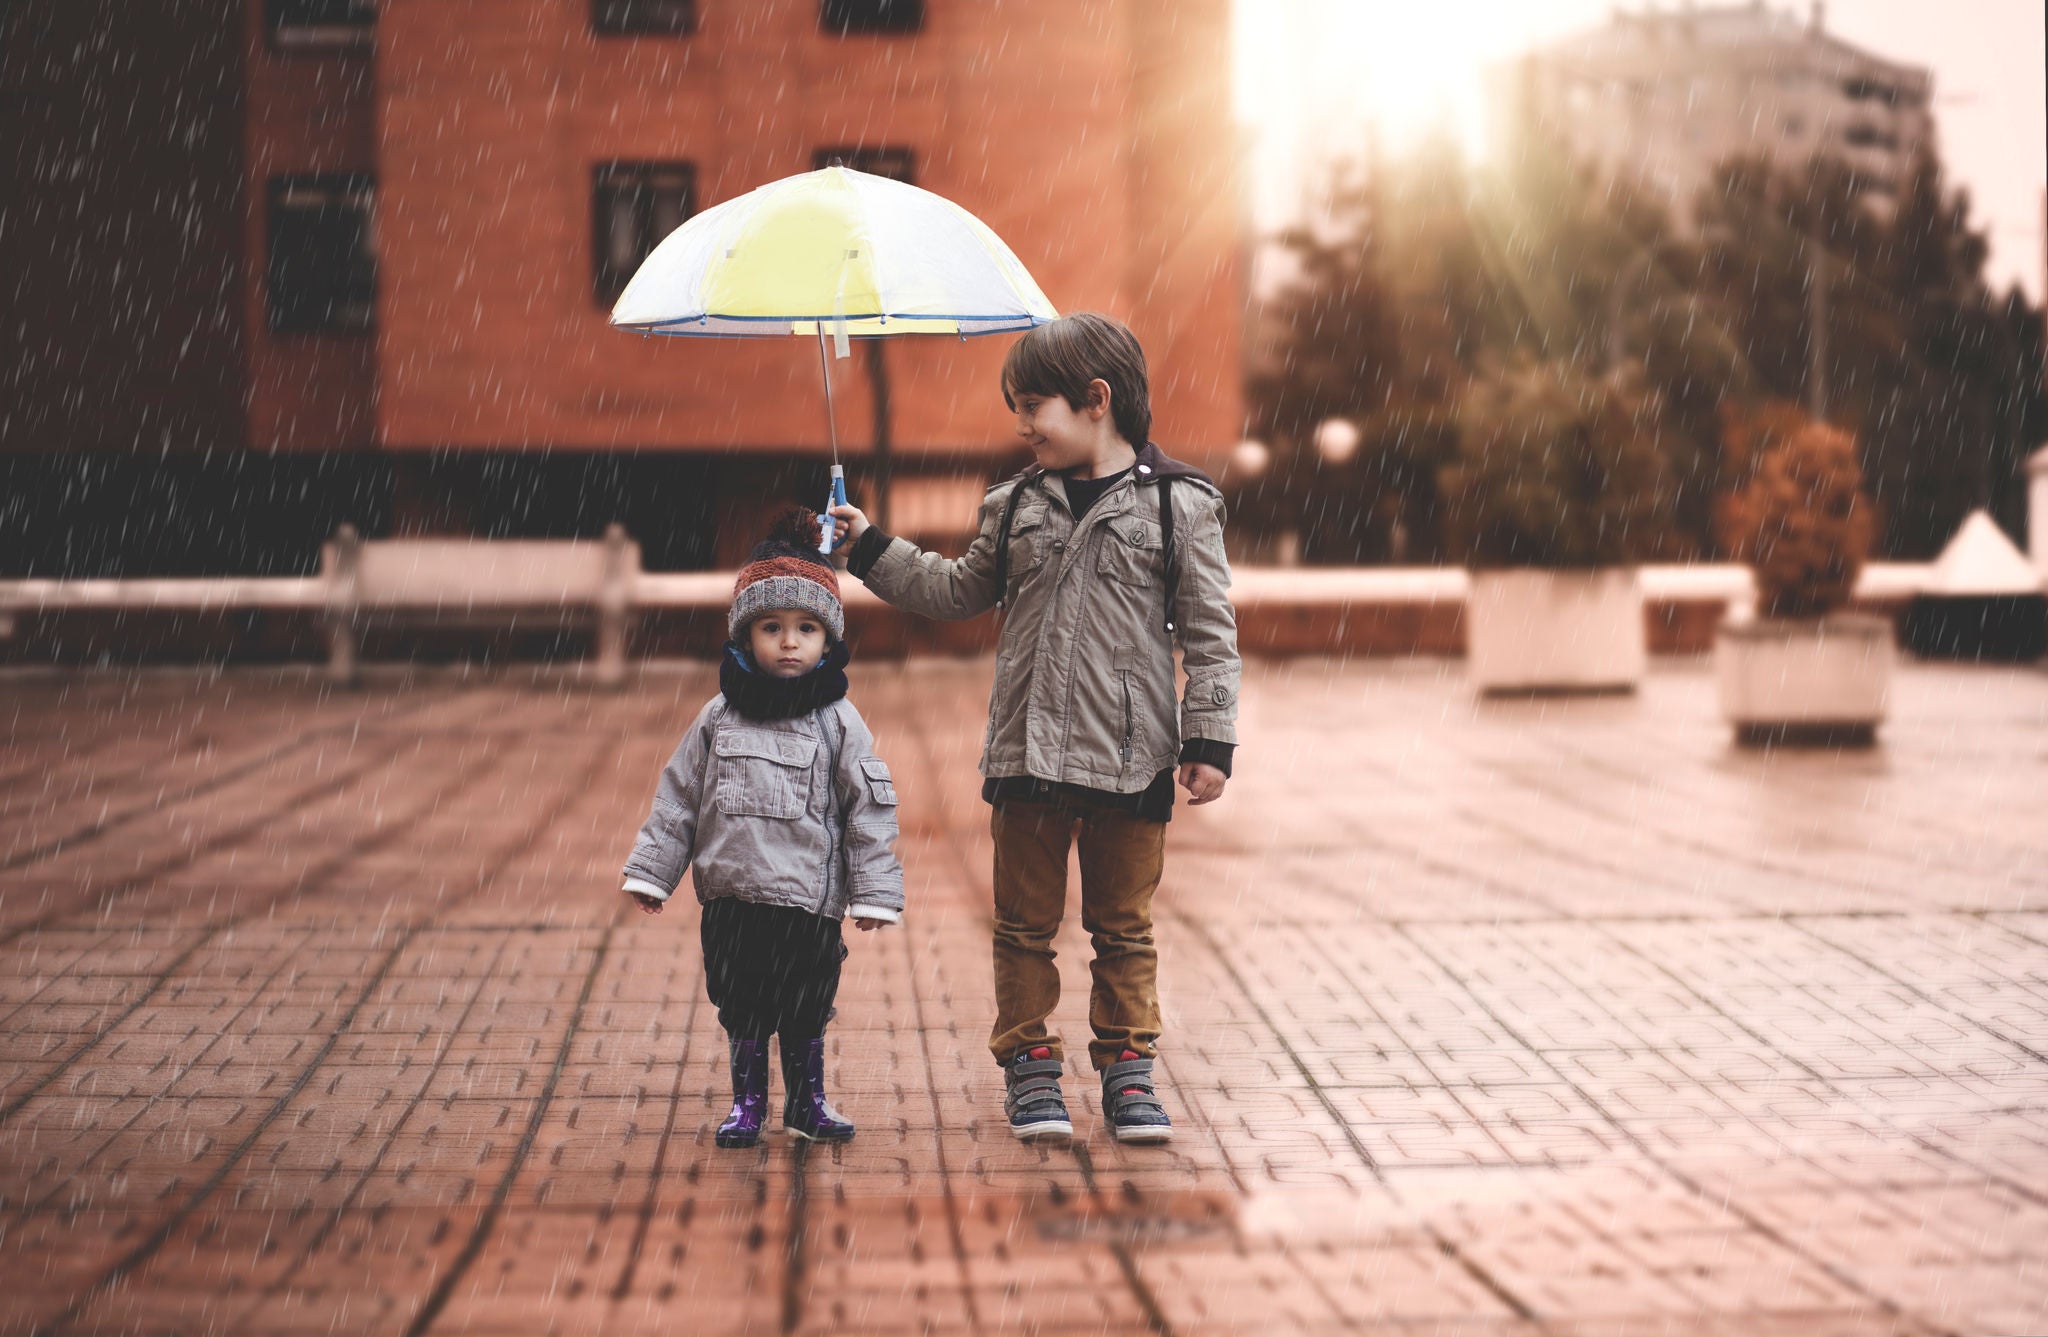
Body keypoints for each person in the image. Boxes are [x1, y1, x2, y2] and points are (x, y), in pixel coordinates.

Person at [829, 312, 1240, 1144]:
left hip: (1133, 761)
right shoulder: (1015, 505)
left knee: (1123, 928)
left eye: (1033, 406)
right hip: (1027, 756)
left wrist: (1208, 739)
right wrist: (869, 546)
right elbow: (953, 590)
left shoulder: (1178, 506)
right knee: (1022, 927)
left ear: (1097, 399)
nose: (1021, 425)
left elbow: (1210, 630)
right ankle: (1031, 1067)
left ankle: (1128, 1073)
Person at [620, 509, 904, 1147]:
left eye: (806, 628)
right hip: (734, 900)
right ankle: (746, 1103)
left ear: (827, 640)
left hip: (807, 901)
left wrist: (876, 891)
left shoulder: (838, 721)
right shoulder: (719, 717)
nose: (787, 642)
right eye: (770, 627)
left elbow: (869, 805)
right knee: (742, 1005)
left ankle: (808, 1101)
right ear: (744, 636)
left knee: (806, 1007)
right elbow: (680, 797)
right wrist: (652, 872)